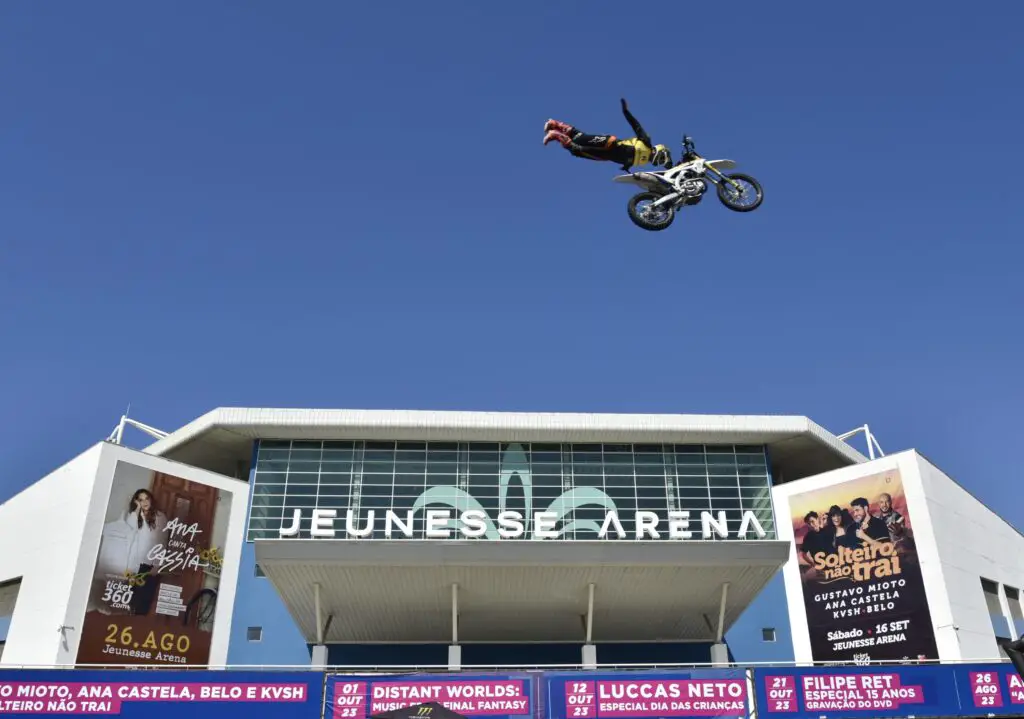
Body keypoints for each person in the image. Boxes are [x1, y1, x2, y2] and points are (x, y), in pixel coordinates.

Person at [543, 98, 672, 171]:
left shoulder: (641, 163)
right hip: (610, 143)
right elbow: (636, 126)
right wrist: (626, 112)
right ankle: (556, 127)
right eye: (661, 159)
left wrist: (626, 169)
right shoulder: (647, 143)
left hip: (607, 155)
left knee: (577, 151)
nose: (657, 162)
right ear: (660, 151)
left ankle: (555, 132)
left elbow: (627, 160)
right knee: (580, 139)